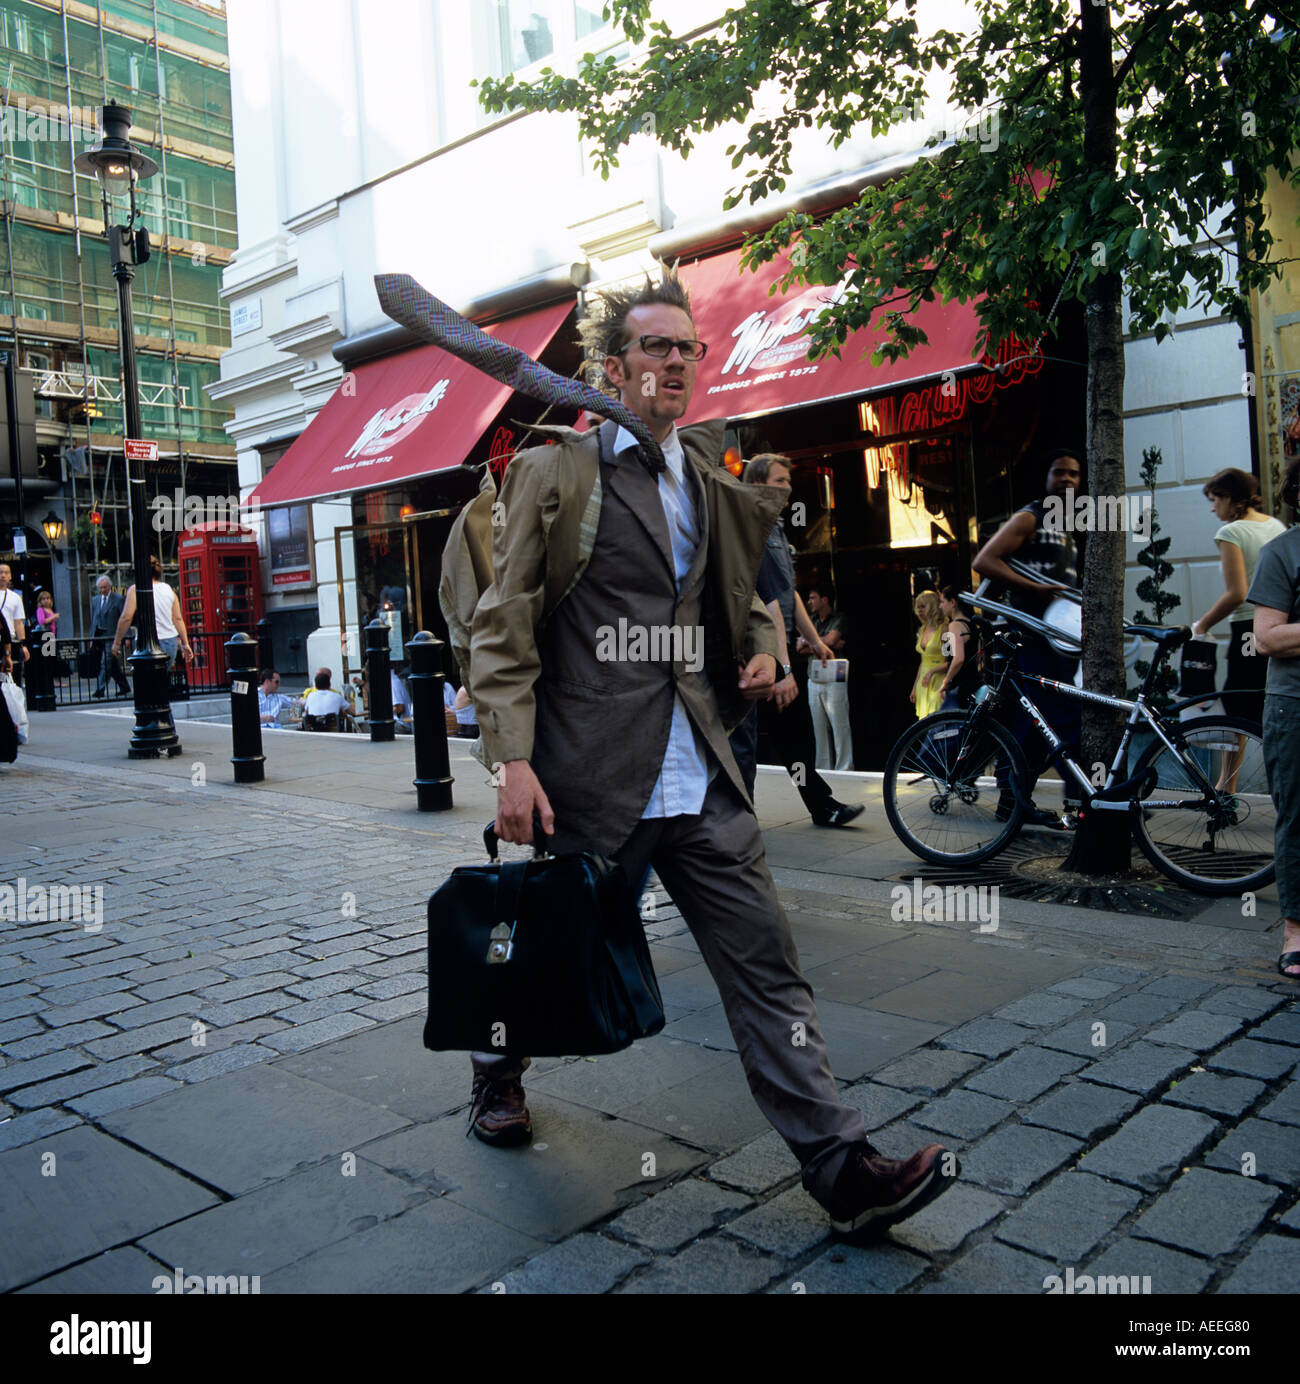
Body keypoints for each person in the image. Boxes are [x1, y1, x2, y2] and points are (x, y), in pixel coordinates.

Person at [465, 268, 955, 1236]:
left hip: (702, 775)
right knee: (557, 963)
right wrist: (509, 760)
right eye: (655, 346)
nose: (675, 362)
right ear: (613, 366)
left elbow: (752, 613)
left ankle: (838, 1163)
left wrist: (769, 659)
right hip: (593, 775)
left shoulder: (711, 480)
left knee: (766, 964)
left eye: (687, 348)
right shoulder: (556, 473)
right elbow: (503, 619)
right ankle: (494, 1068)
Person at [728, 454, 864, 827]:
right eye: (778, 481)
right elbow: (768, 601)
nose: (788, 488)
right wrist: (784, 668)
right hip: (759, 657)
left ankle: (820, 806)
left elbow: (789, 596)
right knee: (744, 744)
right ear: (757, 485)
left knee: (793, 741)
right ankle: (739, 825)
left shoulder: (775, 529)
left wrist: (815, 641)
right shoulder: (750, 527)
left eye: (788, 481)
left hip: (776, 654)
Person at [972, 449, 1084, 826]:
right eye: (1059, 472)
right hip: (1031, 635)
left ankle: (1012, 803)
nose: (1067, 480)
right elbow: (984, 560)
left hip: (1058, 638)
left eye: (1073, 474)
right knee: (1063, 718)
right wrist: (1034, 587)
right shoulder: (1029, 516)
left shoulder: (1065, 524)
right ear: (1047, 478)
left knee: (1035, 724)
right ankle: (1089, 805)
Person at [1247, 458, 1300, 979]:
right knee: (1298, 818)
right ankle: (1295, 932)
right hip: (1295, 704)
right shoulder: (1281, 552)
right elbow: (1267, 637)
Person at [1190, 468, 1286, 724]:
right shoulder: (1275, 525)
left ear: (1230, 498)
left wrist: (1202, 625)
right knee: (1269, 704)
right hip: (1281, 625)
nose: (1213, 509)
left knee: (1238, 709)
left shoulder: (1230, 533)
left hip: (1247, 628)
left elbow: (1237, 594)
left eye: (1215, 500)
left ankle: (1228, 767)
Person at [802, 584, 854, 770]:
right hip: (814, 677)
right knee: (819, 727)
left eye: (813, 597)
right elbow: (799, 646)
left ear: (824, 599)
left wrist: (812, 642)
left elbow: (831, 641)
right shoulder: (811, 620)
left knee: (839, 725)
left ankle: (844, 767)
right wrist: (821, 642)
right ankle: (823, 768)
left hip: (834, 678)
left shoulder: (838, 618)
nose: (809, 602)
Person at [112, 556, 194, 672]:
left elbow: (126, 617)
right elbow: (177, 619)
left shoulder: (135, 590)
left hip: (146, 643)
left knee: (147, 683)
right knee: (162, 680)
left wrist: (117, 642)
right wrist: (185, 643)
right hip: (170, 641)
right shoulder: (168, 589)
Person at [935, 585, 980, 710]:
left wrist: (945, 681)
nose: (940, 606)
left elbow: (958, 658)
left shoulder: (955, 625)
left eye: (943, 602)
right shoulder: (971, 624)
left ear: (953, 602)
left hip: (960, 685)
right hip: (973, 681)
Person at [89, 576, 130, 699]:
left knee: (105, 662)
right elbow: (94, 619)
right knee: (112, 665)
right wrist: (91, 637)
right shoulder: (95, 600)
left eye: (105, 587)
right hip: (99, 636)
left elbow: (124, 617)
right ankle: (125, 687)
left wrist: (127, 636)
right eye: (100, 588)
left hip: (112, 636)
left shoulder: (118, 599)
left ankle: (99, 689)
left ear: (110, 587)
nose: (102, 590)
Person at [911, 589, 947, 719]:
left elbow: (950, 660)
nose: (919, 610)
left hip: (939, 681)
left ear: (932, 607)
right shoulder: (922, 630)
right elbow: (922, 662)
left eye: (923, 606)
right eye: (917, 607)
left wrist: (932, 671)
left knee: (938, 723)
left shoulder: (945, 629)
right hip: (923, 683)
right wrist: (914, 687)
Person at [0, 563, 28, 680]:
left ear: (10, 576)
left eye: (6, 572)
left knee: (10, 677)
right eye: (0, 572)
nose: (3, 575)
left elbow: (18, 622)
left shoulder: (15, 598)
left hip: (10, 640)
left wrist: (23, 644)